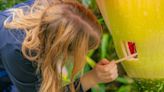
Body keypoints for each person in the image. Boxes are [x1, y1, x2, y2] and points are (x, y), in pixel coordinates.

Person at [0, 0, 118, 92]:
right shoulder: (17, 51)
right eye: (83, 51)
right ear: (61, 48)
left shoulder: (54, 9)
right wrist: (92, 78)